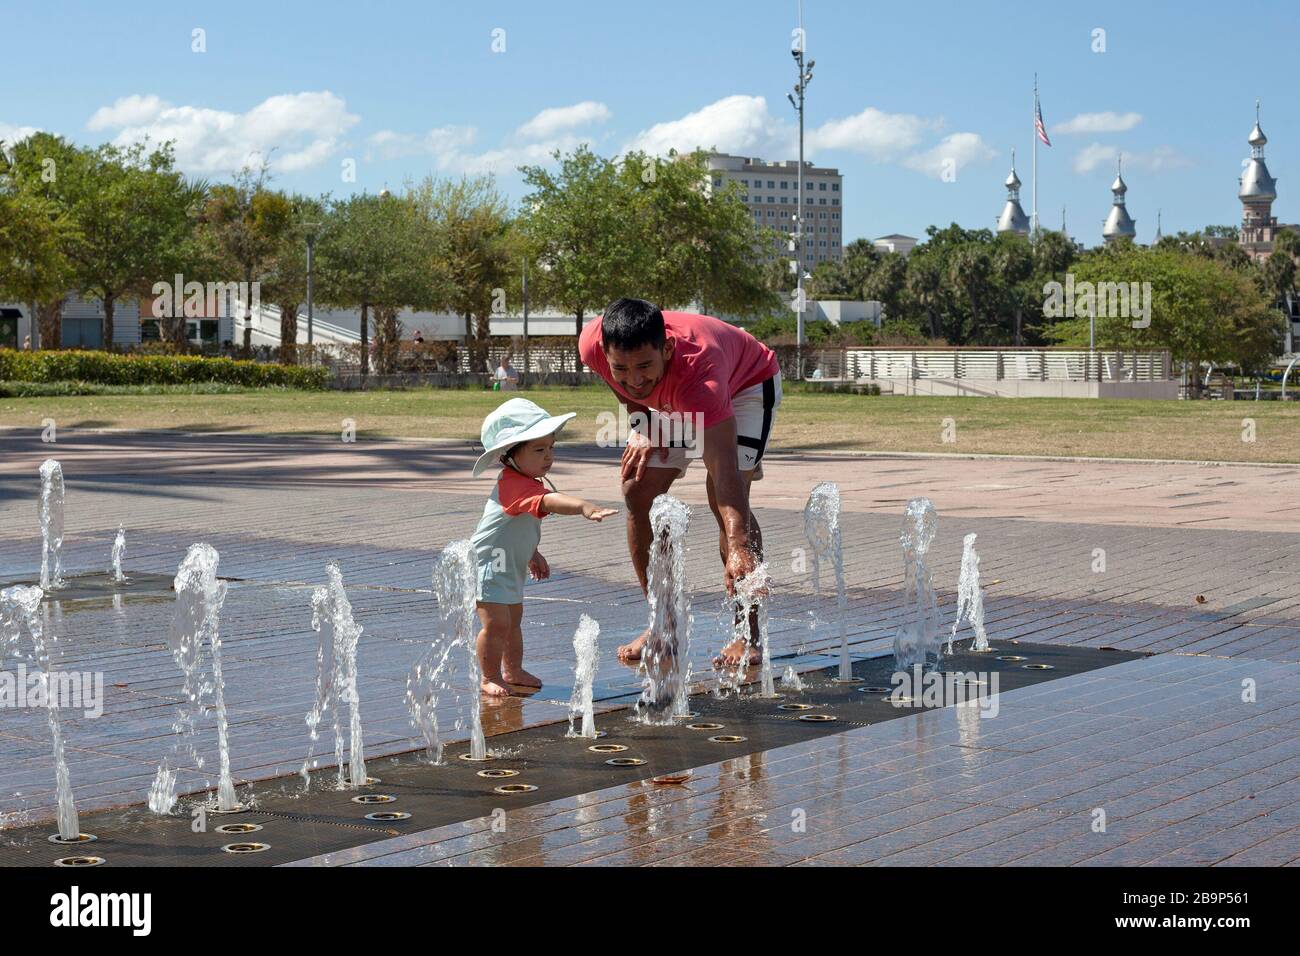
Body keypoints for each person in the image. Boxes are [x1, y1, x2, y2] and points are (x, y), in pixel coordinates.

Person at [579, 297, 782, 668]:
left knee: (722, 498)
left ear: (667, 348)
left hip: (747, 386)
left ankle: (747, 634)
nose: (635, 379)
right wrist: (642, 426)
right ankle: (662, 625)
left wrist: (737, 547)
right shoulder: (592, 343)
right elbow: (622, 385)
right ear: (605, 352)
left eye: (644, 365)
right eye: (621, 367)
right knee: (637, 490)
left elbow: (724, 473)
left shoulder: (699, 374)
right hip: (680, 395)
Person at [470, 398, 618, 696]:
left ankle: (513, 669)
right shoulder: (515, 484)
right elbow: (549, 501)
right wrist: (583, 507)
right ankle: (488, 676)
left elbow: (515, 525)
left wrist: (531, 553)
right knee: (497, 623)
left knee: (514, 620)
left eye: (551, 447)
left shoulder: (525, 480)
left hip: (507, 563)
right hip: (489, 565)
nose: (549, 456)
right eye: (539, 450)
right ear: (509, 455)